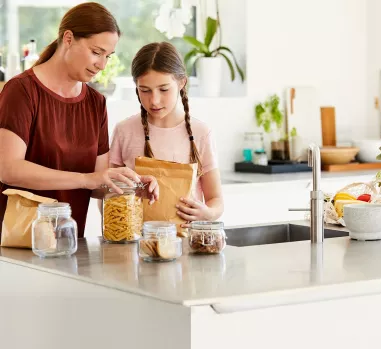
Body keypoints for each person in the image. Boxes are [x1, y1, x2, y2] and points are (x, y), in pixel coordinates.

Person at [0, 2, 158, 239]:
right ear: (68, 38)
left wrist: (132, 187)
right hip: (18, 242)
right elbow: (8, 169)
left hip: (69, 241)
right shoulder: (21, 91)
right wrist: (86, 179)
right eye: (96, 52)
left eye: (108, 56)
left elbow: (97, 183)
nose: (102, 65)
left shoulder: (95, 103)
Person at [109, 42, 223, 227]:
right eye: (144, 90)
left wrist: (207, 213)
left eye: (163, 89)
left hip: (187, 246)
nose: (154, 100)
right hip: (135, 246)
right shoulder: (124, 131)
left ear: (181, 82)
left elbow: (216, 199)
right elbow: (108, 193)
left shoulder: (201, 133)